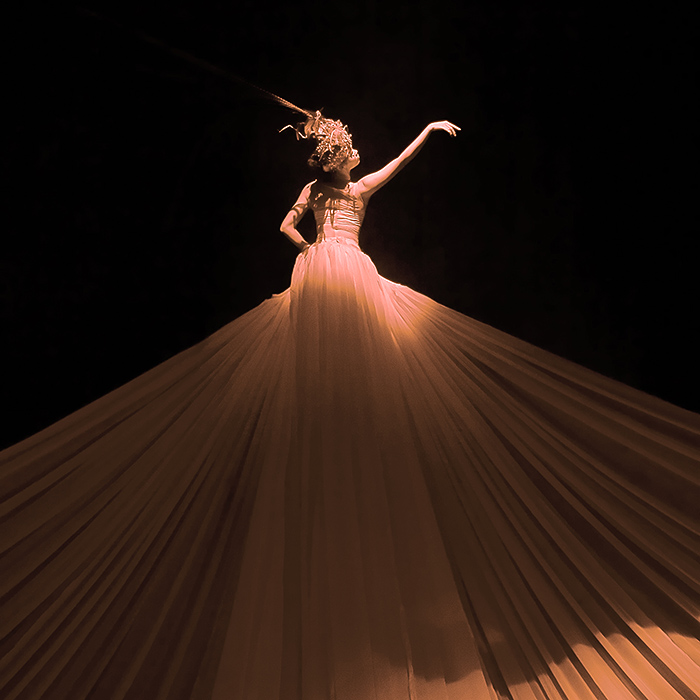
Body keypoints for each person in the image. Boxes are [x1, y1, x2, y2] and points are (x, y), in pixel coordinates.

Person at [1, 113, 698, 700]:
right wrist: (332, 226)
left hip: (329, 269)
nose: (352, 153)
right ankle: (341, 417)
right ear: (336, 156)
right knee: (341, 353)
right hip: (338, 269)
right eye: (345, 147)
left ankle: (345, 416)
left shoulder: (336, 189)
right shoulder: (337, 188)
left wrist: (323, 232)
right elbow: (335, 198)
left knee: (349, 356)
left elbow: (315, 209)